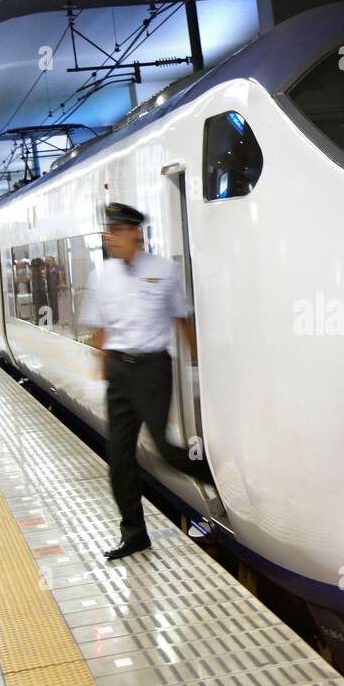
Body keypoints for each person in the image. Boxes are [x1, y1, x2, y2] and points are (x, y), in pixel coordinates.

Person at [79, 202, 212, 560]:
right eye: (109, 231)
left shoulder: (163, 270)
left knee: (166, 450)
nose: (110, 237)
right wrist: (101, 373)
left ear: (136, 233)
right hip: (120, 373)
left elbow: (183, 319)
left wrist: (199, 368)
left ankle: (215, 479)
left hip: (153, 368)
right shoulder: (101, 276)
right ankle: (134, 534)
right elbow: (100, 331)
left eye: (117, 231)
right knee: (119, 457)